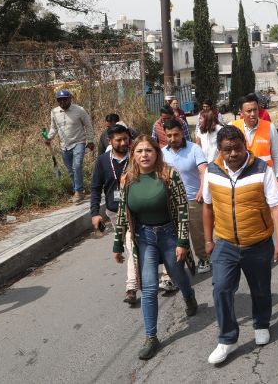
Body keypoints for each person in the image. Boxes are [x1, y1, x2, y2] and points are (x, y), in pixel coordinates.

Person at [202, 125, 278, 364]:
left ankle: (261, 323)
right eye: (227, 150)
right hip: (225, 243)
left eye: (237, 148)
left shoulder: (262, 169)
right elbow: (207, 207)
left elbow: (276, 207)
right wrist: (208, 240)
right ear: (219, 150)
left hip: (258, 242)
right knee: (221, 288)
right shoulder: (212, 171)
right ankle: (227, 339)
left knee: (260, 289)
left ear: (245, 146)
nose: (232, 154)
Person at [111, 135, 197, 361]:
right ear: (133, 155)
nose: (144, 155)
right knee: (148, 287)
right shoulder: (127, 178)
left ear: (156, 152)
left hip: (169, 233)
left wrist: (182, 242)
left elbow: (182, 209)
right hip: (144, 237)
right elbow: (122, 212)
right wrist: (118, 243)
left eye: (148, 150)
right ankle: (151, 337)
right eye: (139, 151)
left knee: (178, 274)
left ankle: (189, 296)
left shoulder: (170, 175)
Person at [90, 124, 138, 304]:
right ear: (110, 141)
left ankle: (131, 287)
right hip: (114, 212)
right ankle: (138, 275)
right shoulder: (102, 161)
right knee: (130, 246)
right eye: (119, 140)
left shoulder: (136, 157)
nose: (123, 142)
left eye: (126, 139)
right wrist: (95, 213)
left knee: (131, 243)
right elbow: (95, 189)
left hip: (135, 210)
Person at [161, 120, 210, 274]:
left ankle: (203, 258)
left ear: (182, 133)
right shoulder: (162, 153)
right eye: (169, 135)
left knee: (197, 232)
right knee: (175, 234)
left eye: (176, 134)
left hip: (193, 198)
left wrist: (202, 190)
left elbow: (203, 171)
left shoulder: (194, 149)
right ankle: (178, 263)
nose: (172, 138)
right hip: (172, 202)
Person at [45, 89, 95, 203]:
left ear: (70, 99)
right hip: (64, 145)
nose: (62, 102)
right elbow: (54, 128)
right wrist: (49, 137)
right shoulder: (54, 112)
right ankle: (80, 190)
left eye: (65, 99)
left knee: (77, 166)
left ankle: (77, 192)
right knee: (70, 171)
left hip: (79, 142)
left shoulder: (79, 110)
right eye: (59, 100)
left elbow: (88, 125)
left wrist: (90, 140)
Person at [231, 93, 278, 190]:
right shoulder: (233, 127)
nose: (253, 114)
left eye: (255, 110)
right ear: (241, 112)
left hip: (265, 180)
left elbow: (277, 155)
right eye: (249, 111)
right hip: (242, 180)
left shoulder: (269, 127)